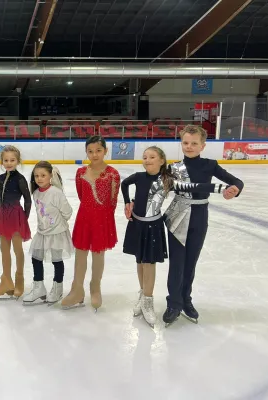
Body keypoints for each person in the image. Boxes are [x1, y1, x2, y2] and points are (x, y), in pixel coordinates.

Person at [121, 146, 229, 327]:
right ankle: (142, 293)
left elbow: (193, 186)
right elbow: (124, 184)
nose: (147, 160)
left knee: (149, 262)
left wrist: (221, 188)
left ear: (162, 160)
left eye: (152, 157)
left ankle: (148, 300)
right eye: (145, 157)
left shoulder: (167, 180)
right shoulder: (138, 176)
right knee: (139, 261)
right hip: (137, 224)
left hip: (153, 226)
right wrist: (127, 202)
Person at [163, 125, 244, 326]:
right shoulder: (174, 168)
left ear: (203, 146)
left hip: (200, 217)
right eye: (185, 143)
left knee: (191, 262)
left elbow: (236, 181)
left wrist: (234, 190)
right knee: (177, 263)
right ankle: (173, 303)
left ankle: (186, 300)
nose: (189, 147)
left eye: (194, 143)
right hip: (178, 216)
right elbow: (164, 189)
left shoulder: (210, 165)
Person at [61, 136, 120, 311]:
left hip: (102, 218)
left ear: (105, 151)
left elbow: (113, 201)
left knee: (98, 254)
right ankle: (77, 289)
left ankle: (95, 287)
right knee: (80, 254)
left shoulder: (112, 174)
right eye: (90, 151)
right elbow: (81, 195)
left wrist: (103, 217)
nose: (94, 155)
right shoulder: (80, 173)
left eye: (98, 151)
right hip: (84, 217)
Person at [23, 161, 73, 305]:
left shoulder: (56, 193)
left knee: (56, 260)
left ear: (50, 176)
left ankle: (57, 288)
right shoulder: (36, 193)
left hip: (57, 233)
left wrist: (56, 224)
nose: (39, 178)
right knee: (36, 258)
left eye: (43, 175)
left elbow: (68, 212)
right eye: (36, 176)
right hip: (42, 233)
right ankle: (39, 288)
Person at [0, 145, 31, 300]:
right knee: (4, 248)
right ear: (2, 161)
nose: (9, 163)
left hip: (15, 215)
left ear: (18, 161)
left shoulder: (20, 179)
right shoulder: (1, 178)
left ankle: (19, 280)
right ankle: (6, 280)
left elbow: (28, 200)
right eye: (6, 160)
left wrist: (24, 218)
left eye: (12, 160)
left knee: (17, 249)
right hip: (3, 214)